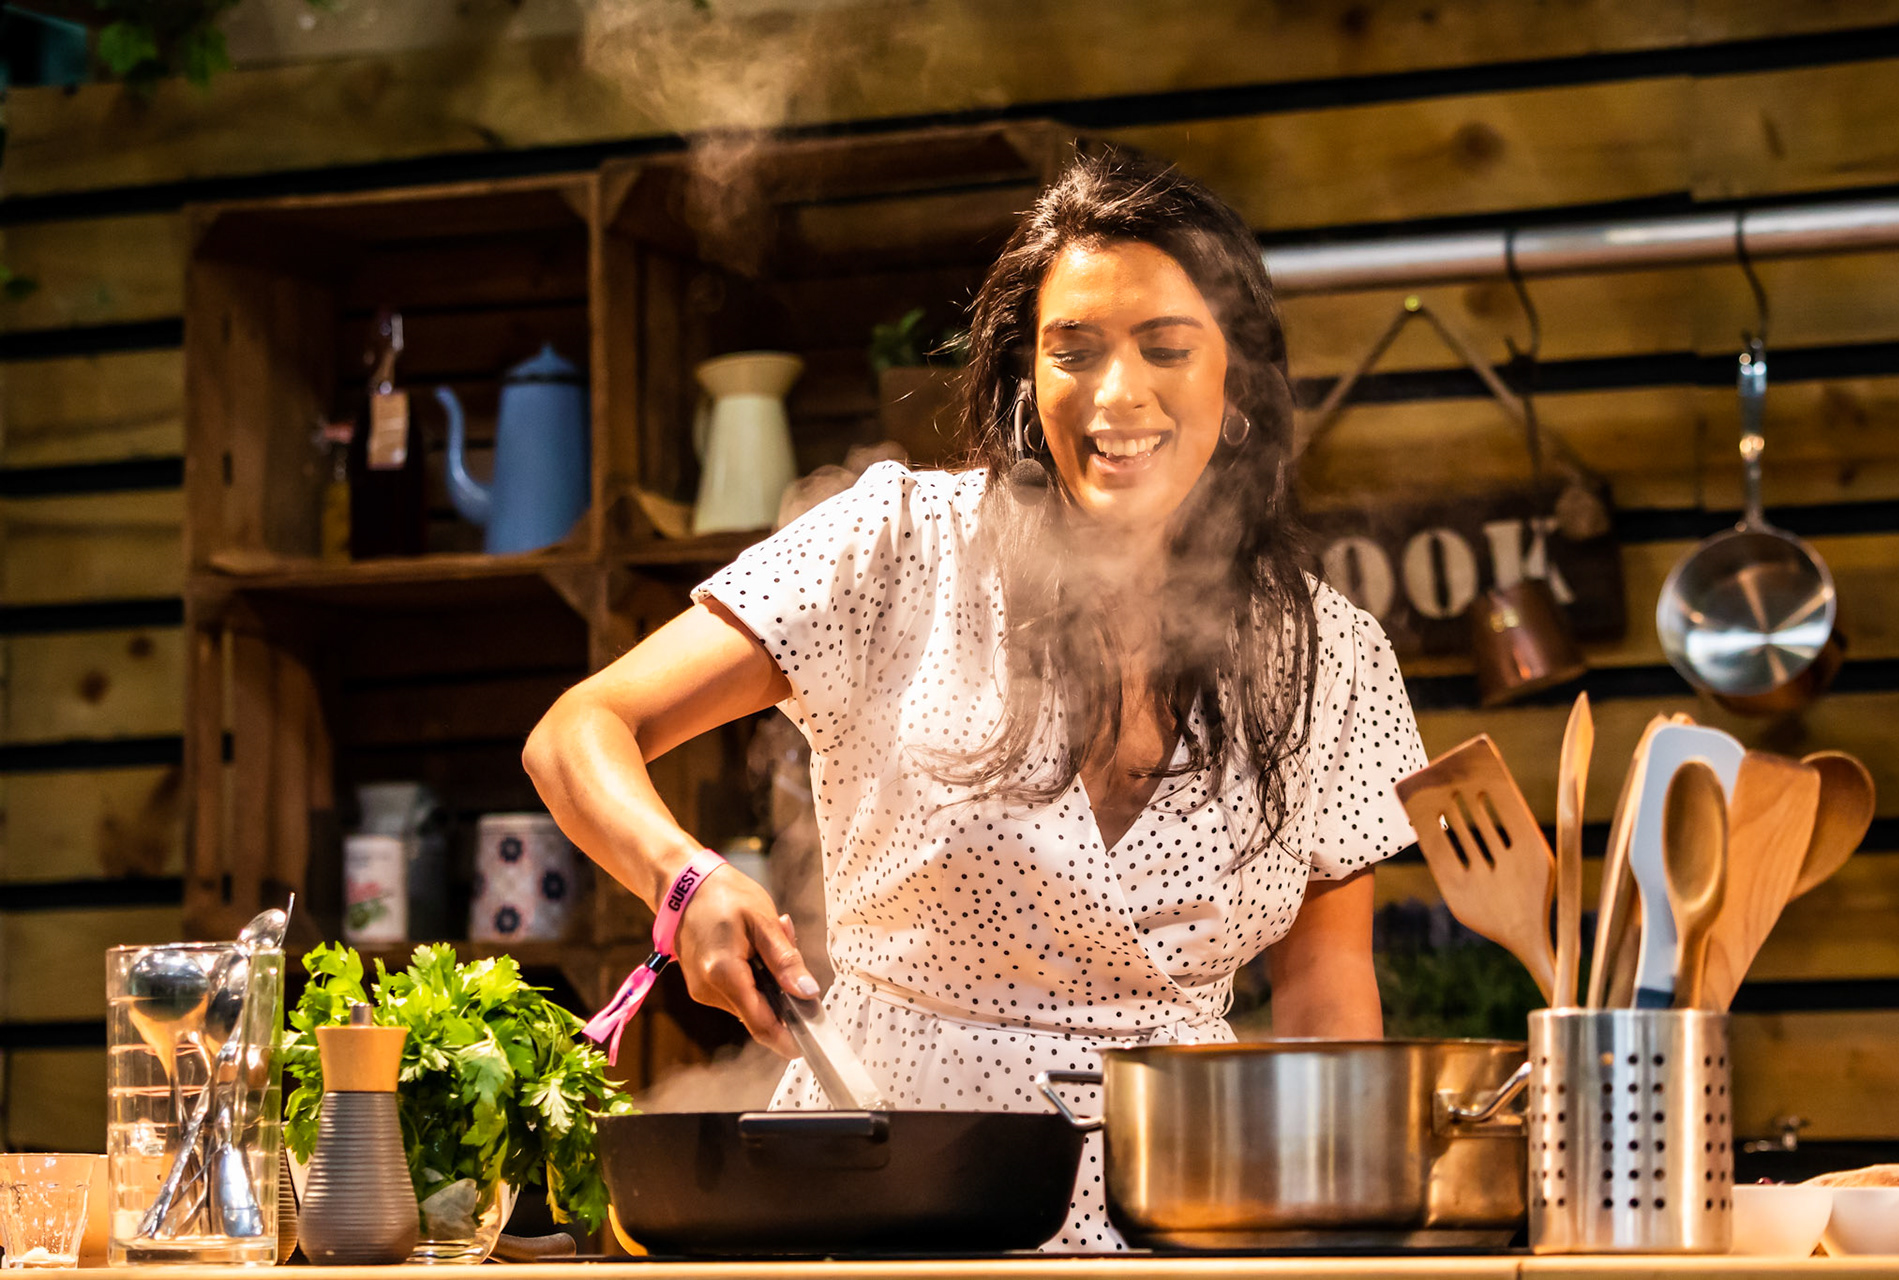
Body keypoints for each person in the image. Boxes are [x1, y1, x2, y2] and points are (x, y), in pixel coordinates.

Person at [523, 151, 1426, 1250]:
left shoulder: (1330, 653)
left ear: (1236, 381)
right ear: (1025, 375)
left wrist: (1336, 1254)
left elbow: (1328, 1009)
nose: (1116, 394)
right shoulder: (894, 543)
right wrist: (684, 877)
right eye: (1073, 349)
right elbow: (580, 730)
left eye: (1167, 348)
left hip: (1183, 1219)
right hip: (881, 1203)